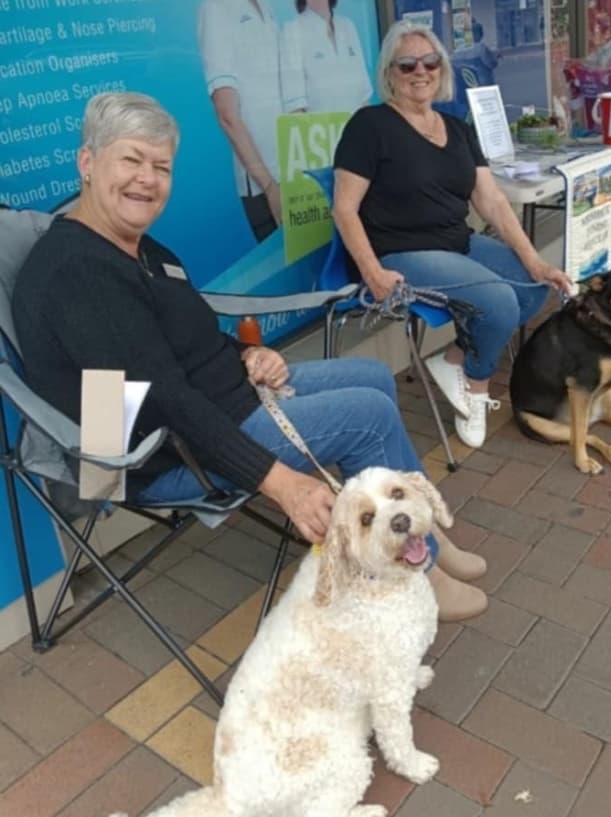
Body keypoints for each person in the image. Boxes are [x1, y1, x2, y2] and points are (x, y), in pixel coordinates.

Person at [11, 92, 487, 622]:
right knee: (368, 416)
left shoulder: (144, 250)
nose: (146, 179)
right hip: (160, 450)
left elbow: (185, 337)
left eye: (161, 166)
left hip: (223, 398)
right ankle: (416, 573)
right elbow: (162, 399)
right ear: (87, 162)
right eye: (131, 160)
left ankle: (428, 537)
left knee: (373, 375)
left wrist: (246, 355)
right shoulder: (78, 273)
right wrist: (279, 483)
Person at [332, 20, 572, 449]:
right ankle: (476, 389)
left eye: (430, 62)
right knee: (498, 300)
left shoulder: (457, 128)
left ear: (442, 68)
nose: (420, 71)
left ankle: (455, 358)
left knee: (532, 287)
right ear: (389, 73)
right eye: (407, 64)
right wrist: (371, 271)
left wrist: (535, 260)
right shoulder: (369, 126)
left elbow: (492, 201)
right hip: (399, 253)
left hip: (455, 243)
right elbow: (344, 208)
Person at [197, 0, 283, 242]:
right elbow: (227, 115)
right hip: (263, 186)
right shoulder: (216, 8)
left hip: (291, 174)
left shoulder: (267, 7)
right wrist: (269, 187)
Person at [280, 0, 372, 114]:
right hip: (318, 129)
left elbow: (364, 98)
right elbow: (295, 109)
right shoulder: (293, 30)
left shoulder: (348, 26)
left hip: (356, 128)